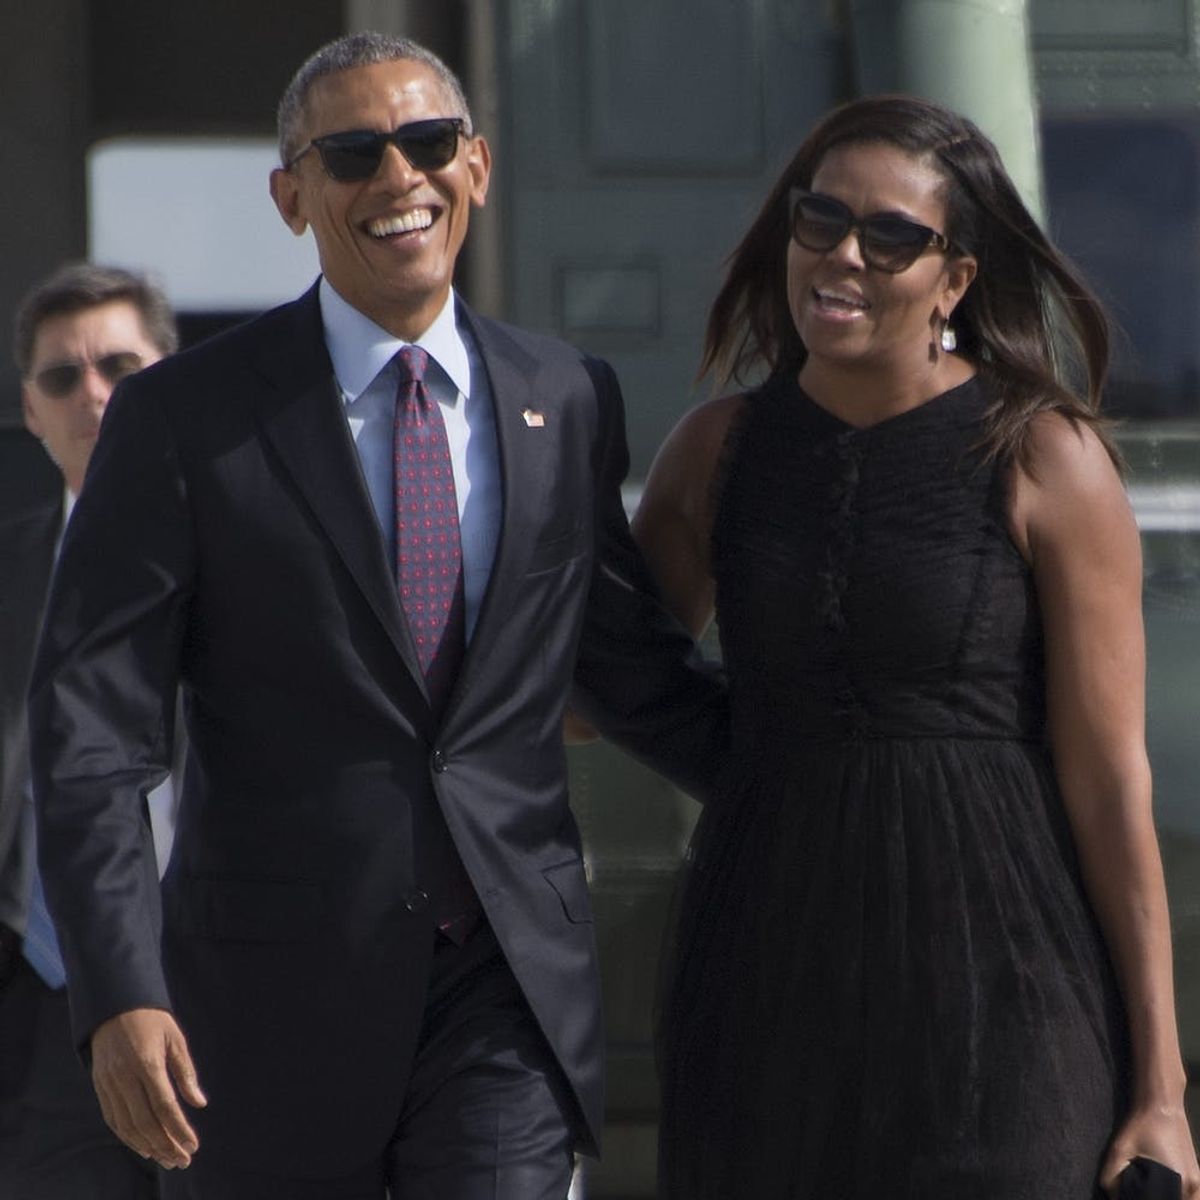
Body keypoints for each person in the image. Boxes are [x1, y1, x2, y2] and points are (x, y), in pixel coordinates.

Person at [27, 31, 725, 1200]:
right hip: (262, 1007)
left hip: (503, 989)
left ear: (479, 167)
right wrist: (122, 990)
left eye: (427, 142)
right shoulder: (181, 420)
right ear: (292, 197)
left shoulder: (564, 394)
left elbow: (630, 669)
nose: (398, 177)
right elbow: (92, 739)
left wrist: (841, 771)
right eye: (352, 154)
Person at [635, 95, 1200, 1199]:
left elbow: (1107, 784)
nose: (844, 254)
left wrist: (1161, 1091)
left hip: (1002, 988)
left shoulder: (1043, 454)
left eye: (891, 235)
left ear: (955, 279)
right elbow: (601, 685)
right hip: (765, 978)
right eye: (821, 219)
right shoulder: (717, 452)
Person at [1, 262, 179, 1199]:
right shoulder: (10, 572)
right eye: (61, 377)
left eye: (121, 364)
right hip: (38, 1005)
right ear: (30, 410)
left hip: (217, 980)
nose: (95, 393)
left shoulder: (245, 550)